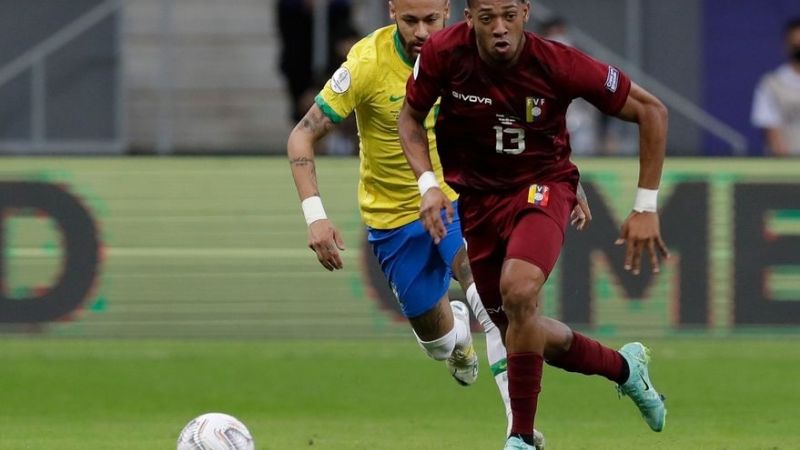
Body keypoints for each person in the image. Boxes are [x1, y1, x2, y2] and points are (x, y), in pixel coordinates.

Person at [287, 1, 590, 447]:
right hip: (392, 219)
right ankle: (454, 343)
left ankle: (518, 432)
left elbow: (524, 120)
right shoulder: (367, 64)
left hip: (459, 200)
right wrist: (316, 217)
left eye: (432, 19)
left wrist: (565, 175)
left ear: (449, 12)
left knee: (496, 310)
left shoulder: (476, 55)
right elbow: (302, 133)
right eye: (410, 20)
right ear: (392, 12)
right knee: (438, 341)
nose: (422, 31)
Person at [398, 1, 669, 449]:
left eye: (509, 15)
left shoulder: (559, 63)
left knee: (520, 290)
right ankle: (625, 368)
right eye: (487, 18)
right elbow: (409, 117)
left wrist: (645, 206)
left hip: (542, 187)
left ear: (526, 11)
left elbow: (651, 110)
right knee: (520, 329)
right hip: (479, 201)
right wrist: (428, 184)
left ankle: (520, 438)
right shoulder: (444, 53)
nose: (500, 28)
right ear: (469, 18)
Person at [751, 17, 800, 156]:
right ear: (787, 45)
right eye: (796, 44)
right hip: (786, 167)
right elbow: (772, 131)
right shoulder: (771, 83)